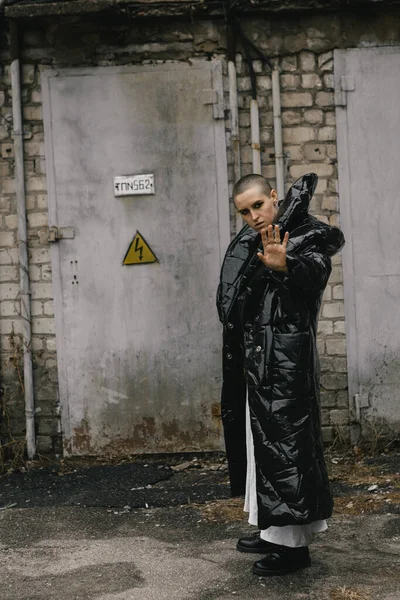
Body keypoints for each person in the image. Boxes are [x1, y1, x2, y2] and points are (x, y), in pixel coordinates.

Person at [216, 172, 345, 576]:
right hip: (262, 361)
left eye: (258, 205)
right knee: (265, 450)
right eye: (244, 212)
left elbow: (315, 274)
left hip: (286, 362)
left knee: (287, 451)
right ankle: (273, 528)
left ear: (274, 197)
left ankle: (293, 550)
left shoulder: (305, 234)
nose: (253, 216)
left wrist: (284, 263)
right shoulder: (256, 238)